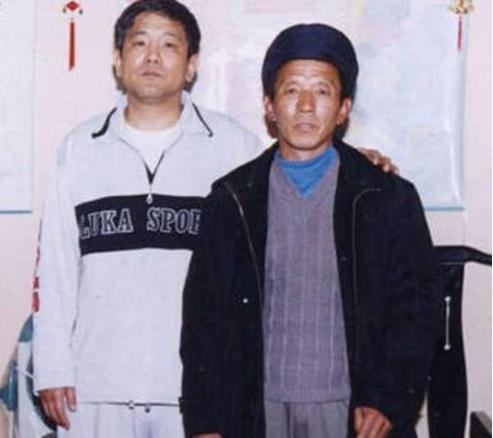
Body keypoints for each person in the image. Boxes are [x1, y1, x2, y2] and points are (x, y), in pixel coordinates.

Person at [32, 1, 395, 436]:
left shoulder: (233, 147)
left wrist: (360, 164)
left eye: (169, 45)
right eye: (139, 43)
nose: (152, 57)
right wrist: (53, 367)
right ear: (117, 60)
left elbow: (302, 157)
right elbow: (55, 269)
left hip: (196, 389)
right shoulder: (78, 150)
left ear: (192, 65)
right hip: (95, 384)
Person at [180, 23, 443, 438]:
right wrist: (207, 421)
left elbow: (416, 310)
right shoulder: (232, 200)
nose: (305, 106)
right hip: (256, 411)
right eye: (291, 91)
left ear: (343, 109)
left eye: (321, 91)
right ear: (269, 107)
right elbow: (203, 320)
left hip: (352, 412)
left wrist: (388, 399)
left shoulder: (387, 198)